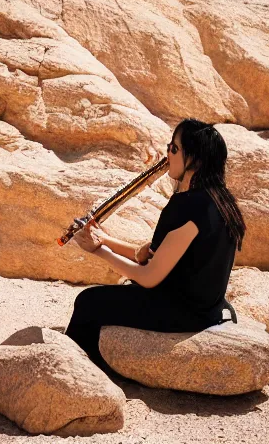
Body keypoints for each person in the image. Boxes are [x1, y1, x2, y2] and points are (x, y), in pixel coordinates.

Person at [65, 118, 246, 374]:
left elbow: (149, 277)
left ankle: (81, 371)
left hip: (185, 312)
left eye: (174, 149)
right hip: (209, 309)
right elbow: (150, 255)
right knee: (117, 293)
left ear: (194, 158)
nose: (167, 154)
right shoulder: (221, 202)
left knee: (88, 301)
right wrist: (103, 239)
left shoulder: (187, 206)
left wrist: (98, 252)